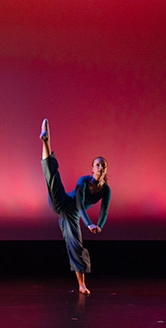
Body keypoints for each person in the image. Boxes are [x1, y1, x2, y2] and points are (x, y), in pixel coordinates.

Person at [39, 118, 111, 295]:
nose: (100, 167)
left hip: (70, 216)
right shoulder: (83, 181)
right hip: (63, 202)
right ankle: (46, 142)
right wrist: (88, 224)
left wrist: (99, 226)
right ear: (92, 169)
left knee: (76, 246)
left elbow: (104, 210)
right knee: (53, 177)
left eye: (103, 165)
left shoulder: (106, 190)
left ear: (105, 169)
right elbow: (79, 204)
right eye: (97, 165)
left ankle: (81, 284)